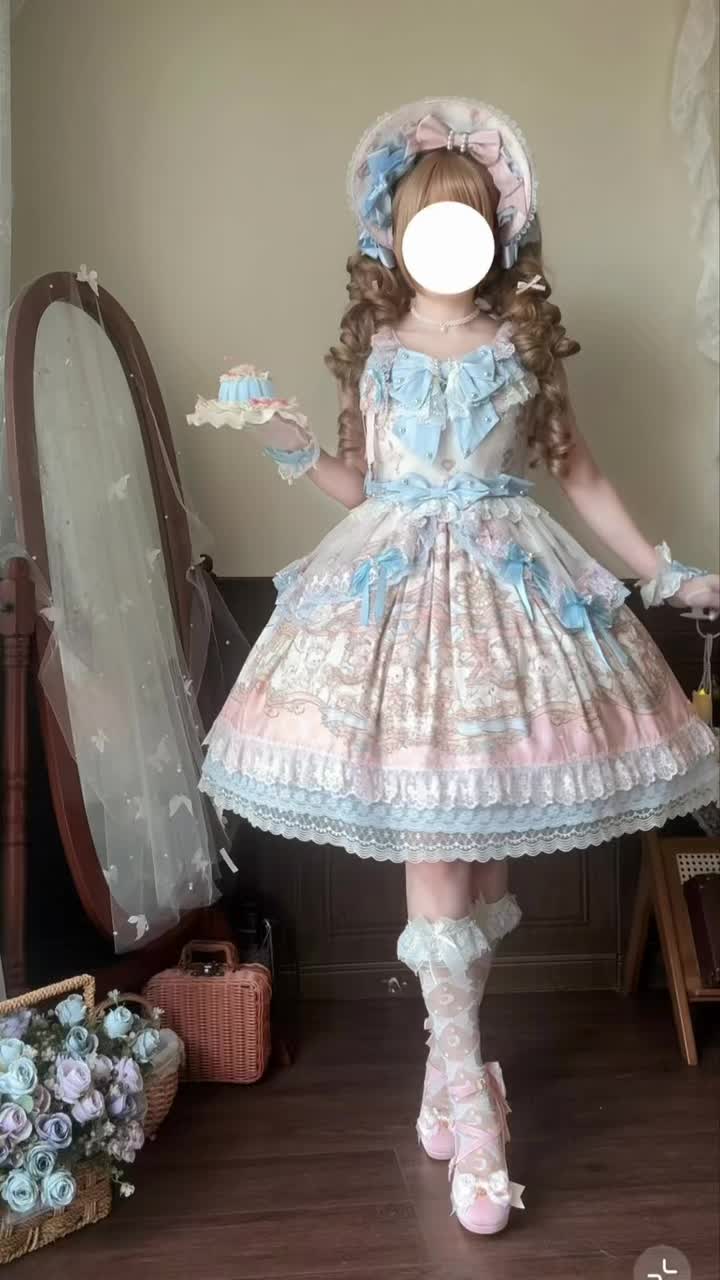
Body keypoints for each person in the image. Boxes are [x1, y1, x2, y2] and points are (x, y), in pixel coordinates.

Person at [198, 98, 719, 1235]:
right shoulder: (375, 348)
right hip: (394, 606)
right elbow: (363, 485)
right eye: (425, 217)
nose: (445, 235)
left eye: (467, 216)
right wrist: (291, 441)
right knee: (436, 852)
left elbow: (580, 477)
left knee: (481, 865)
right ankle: (475, 1114)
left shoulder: (522, 342)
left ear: (496, 229)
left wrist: (665, 572)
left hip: (509, 601)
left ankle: (454, 1068)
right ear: (392, 230)